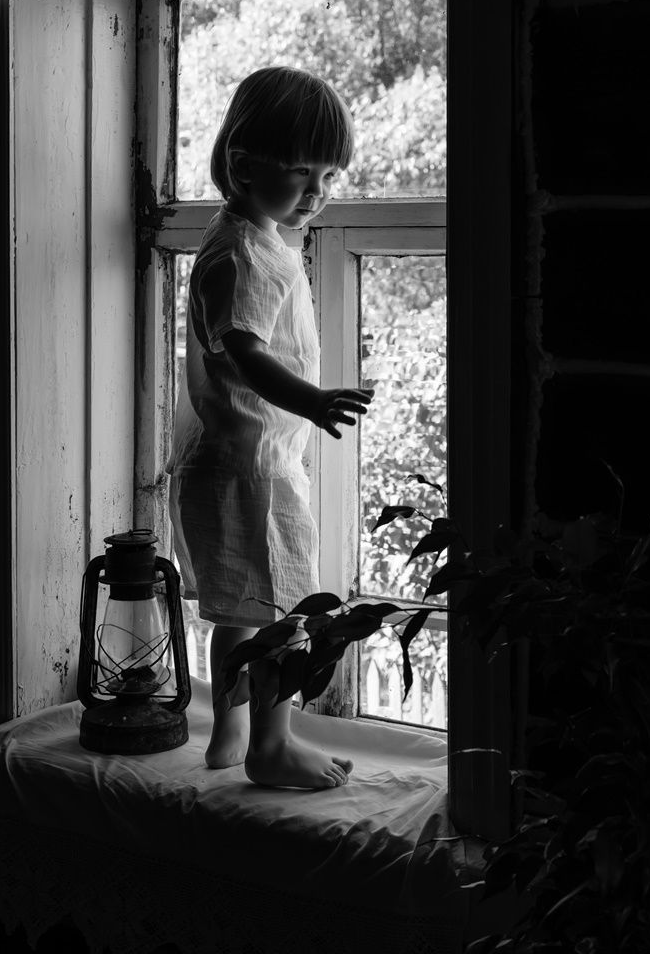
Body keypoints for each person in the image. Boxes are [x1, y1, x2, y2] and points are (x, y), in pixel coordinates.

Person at [166, 66, 373, 789]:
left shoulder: (244, 236)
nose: (318, 191)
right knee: (284, 612)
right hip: (253, 470)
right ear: (244, 165)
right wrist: (311, 401)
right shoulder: (246, 255)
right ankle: (272, 745)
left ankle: (228, 731)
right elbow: (246, 352)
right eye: (300, 172)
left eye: (328, 175)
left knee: (239, 614)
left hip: (232, 460)